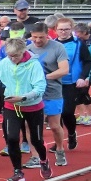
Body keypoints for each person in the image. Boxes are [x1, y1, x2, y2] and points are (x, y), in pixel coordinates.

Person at [0, 38, 51, 181]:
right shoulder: (5, 63)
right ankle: (18, 171)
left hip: (33, 106)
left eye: (16, 56)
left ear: (23, 52)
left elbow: (40, 88)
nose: (12, 59)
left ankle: (43, 160)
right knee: (12, 138)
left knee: (36, 140)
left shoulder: (34, 65)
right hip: (12, 106)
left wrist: (23, 97)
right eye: (10, 56)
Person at [25, 22, 70, 168]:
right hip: (33, 94)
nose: (37, 40)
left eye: (41, 37)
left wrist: (45, 77)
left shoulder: (58, 47)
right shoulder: (28, 49)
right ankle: (35, 156)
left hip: (52, 92)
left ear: (48, 35)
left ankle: (60, 150)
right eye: (34, 37)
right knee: (30, 125)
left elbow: (64, 70)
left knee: (54, 125)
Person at [52, 18, 91, 153]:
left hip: (71, 83)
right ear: (56, 30)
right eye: (61, 29)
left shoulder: (78, 44)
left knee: (67, 112)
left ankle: (71, 133)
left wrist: (82, 77)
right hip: (55, 83)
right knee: (55, 114)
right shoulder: (52, 44)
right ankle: (58, 142)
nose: (63, 32)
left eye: (66, 29)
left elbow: (88, 62)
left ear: (71, 29)